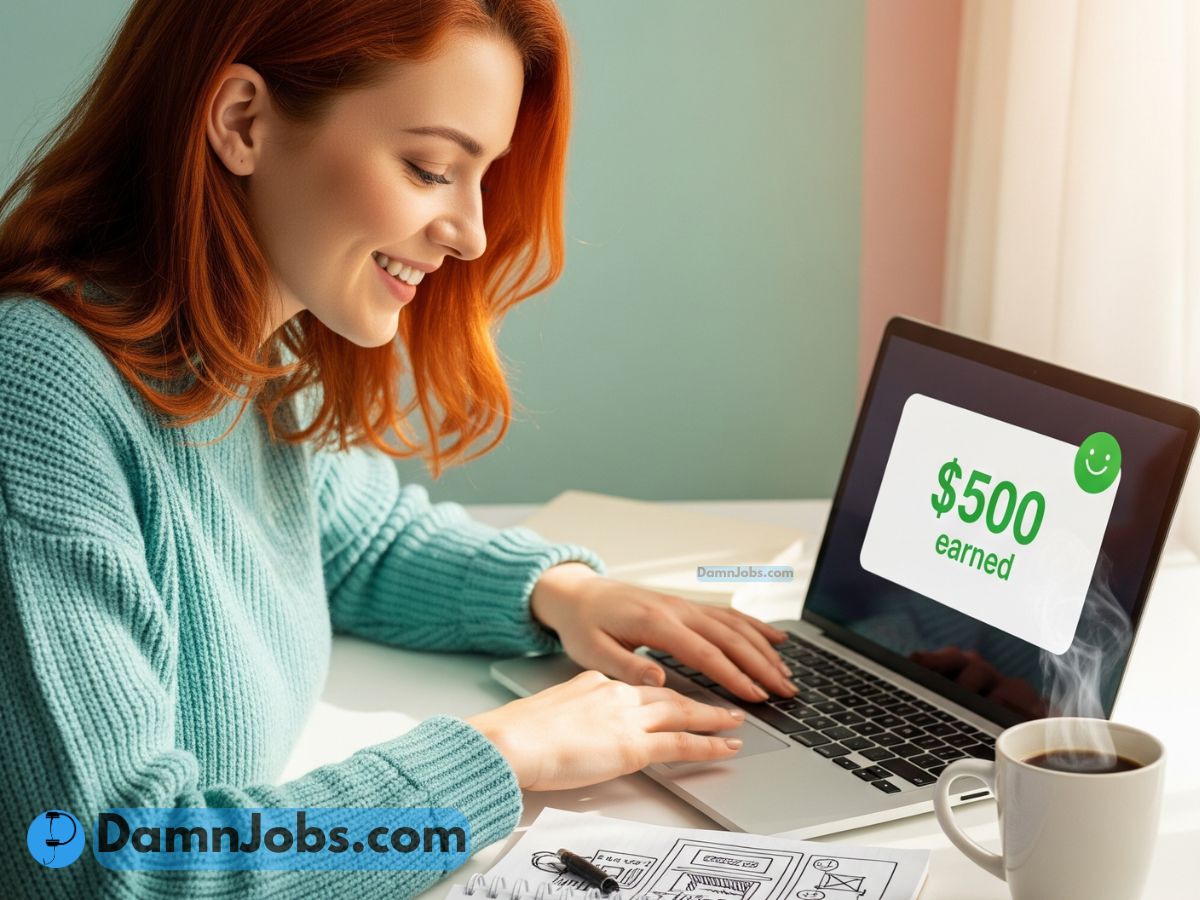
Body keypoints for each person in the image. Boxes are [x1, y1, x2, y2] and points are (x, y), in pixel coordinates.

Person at [0, 1, 797, 896]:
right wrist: (498, 758)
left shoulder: (242, 359)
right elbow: (113, 865)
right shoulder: (36, 390)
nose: (473, 233)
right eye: (430, 169)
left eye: (482, 176)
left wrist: (562, 593)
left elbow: (358, 540)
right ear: (243, 121)